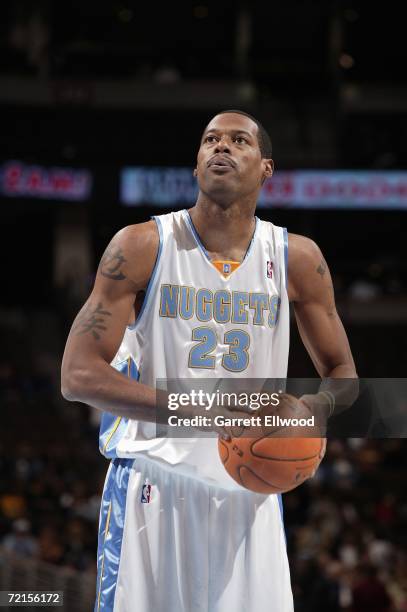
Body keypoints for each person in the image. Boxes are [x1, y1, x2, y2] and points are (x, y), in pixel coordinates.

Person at [61, 110, 357, 612]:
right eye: (210, 140)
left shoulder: (296, 258)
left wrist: (315, 413)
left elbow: (343, 374)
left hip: (250, 495)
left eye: (238, 140)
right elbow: (78, 376)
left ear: (266, 168)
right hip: (155, 484)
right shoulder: (141, 246)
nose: (220, 147)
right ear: (197, 166)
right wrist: (205, 414)